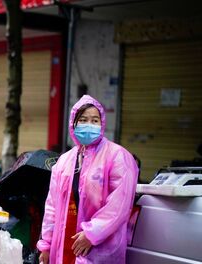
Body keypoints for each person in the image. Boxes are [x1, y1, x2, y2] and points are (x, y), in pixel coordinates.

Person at [37, 95, 138, 264]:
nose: (89, 125)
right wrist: (46, 245)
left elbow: (119, 206)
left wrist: (92, 234)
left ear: (102, 124)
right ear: (73, 124)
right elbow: (52, 206)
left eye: (94, 120)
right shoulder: (64, 161)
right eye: (83, 120)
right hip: (64, 244)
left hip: (99, 246)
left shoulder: (117, 157)